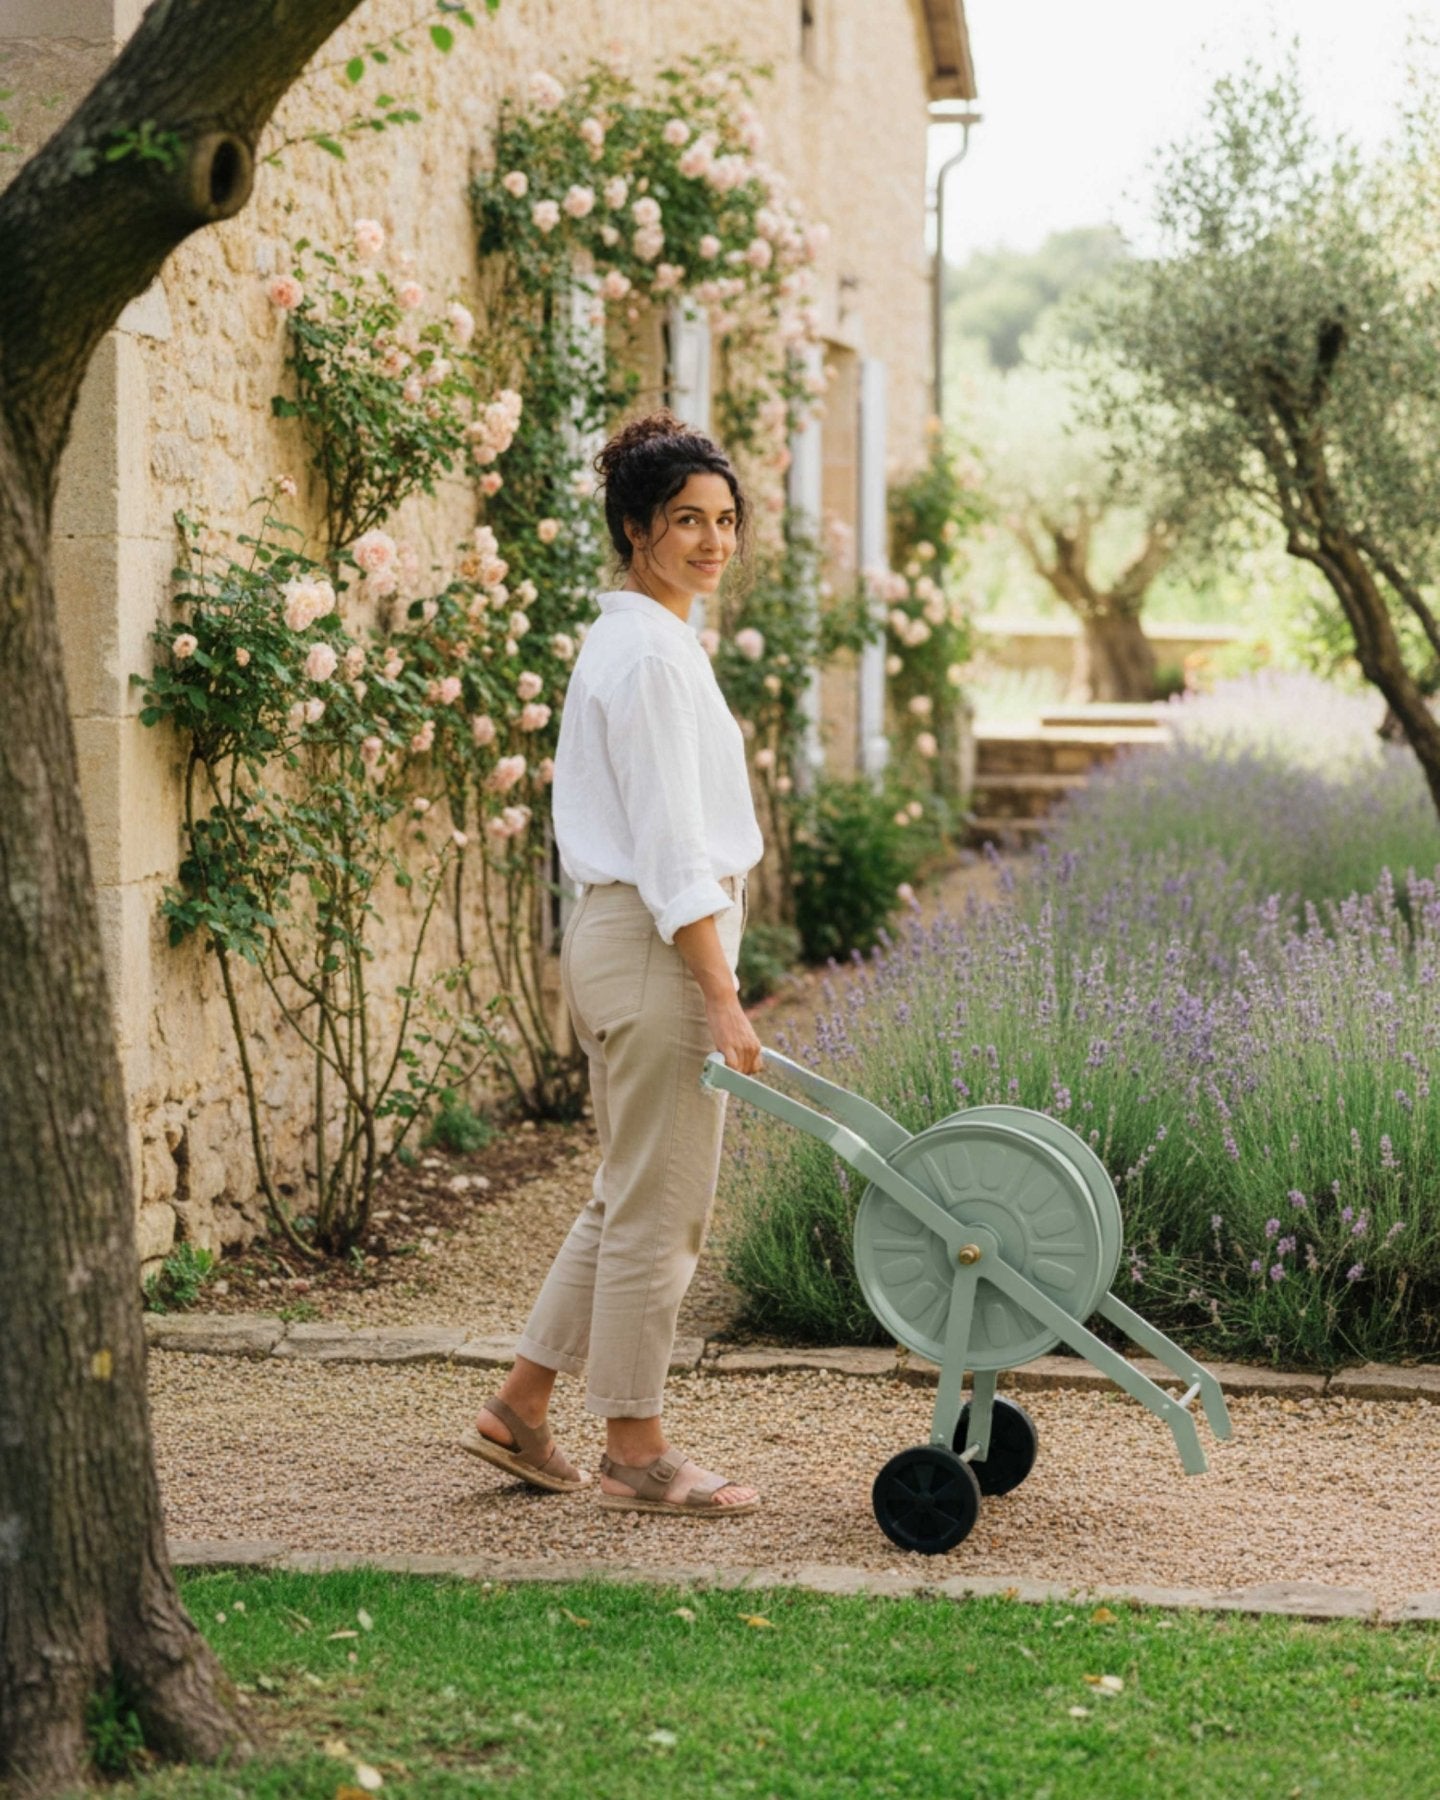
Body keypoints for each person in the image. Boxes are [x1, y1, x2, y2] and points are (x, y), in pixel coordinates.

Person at [459, 409, 765, 1516]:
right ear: (636, 527)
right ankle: (637, 1445)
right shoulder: (645, 657)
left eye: (725, 520)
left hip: (632, 939)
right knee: (661, 1211)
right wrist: (721, 996)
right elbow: (676, 844)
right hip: (654, 945)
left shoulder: (649, 641)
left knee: (621, 1197)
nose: (712, 541)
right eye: (687, 520)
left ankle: (519, 1408)